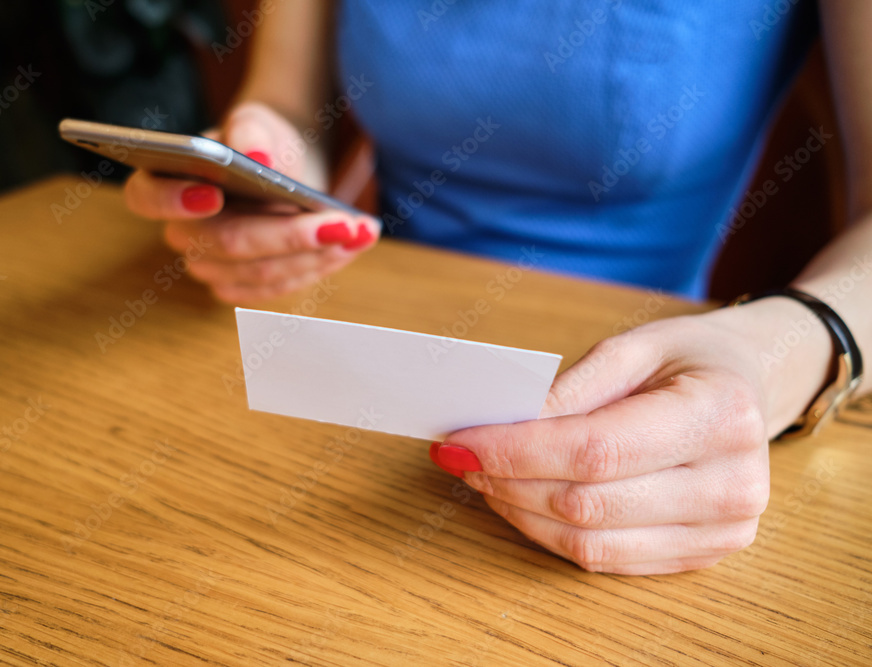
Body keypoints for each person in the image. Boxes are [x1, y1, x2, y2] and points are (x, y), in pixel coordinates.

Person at [123, 0, 871, 574]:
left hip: (650, 412)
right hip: (358, 373)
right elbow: (289, 107)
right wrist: (266, 166)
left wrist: (782, 356)